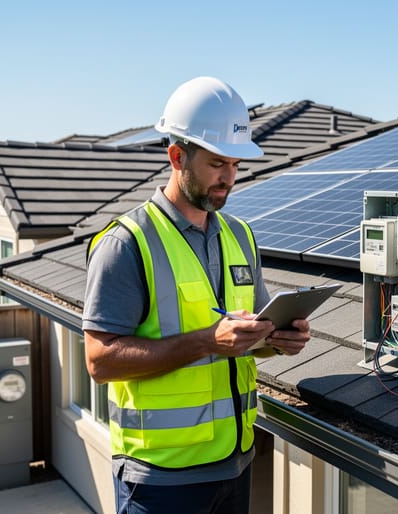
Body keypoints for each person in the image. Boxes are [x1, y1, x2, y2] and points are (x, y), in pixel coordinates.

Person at [82, 76, 311, 514]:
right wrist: (207, 341)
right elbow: (100, 361)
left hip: (235, 464)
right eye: (216, 164)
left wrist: (276, 340)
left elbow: (244, 334)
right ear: (176, 157)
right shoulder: (127, 243)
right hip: (160, 480)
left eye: (236, 165)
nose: (229, 178)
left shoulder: (240, 236)